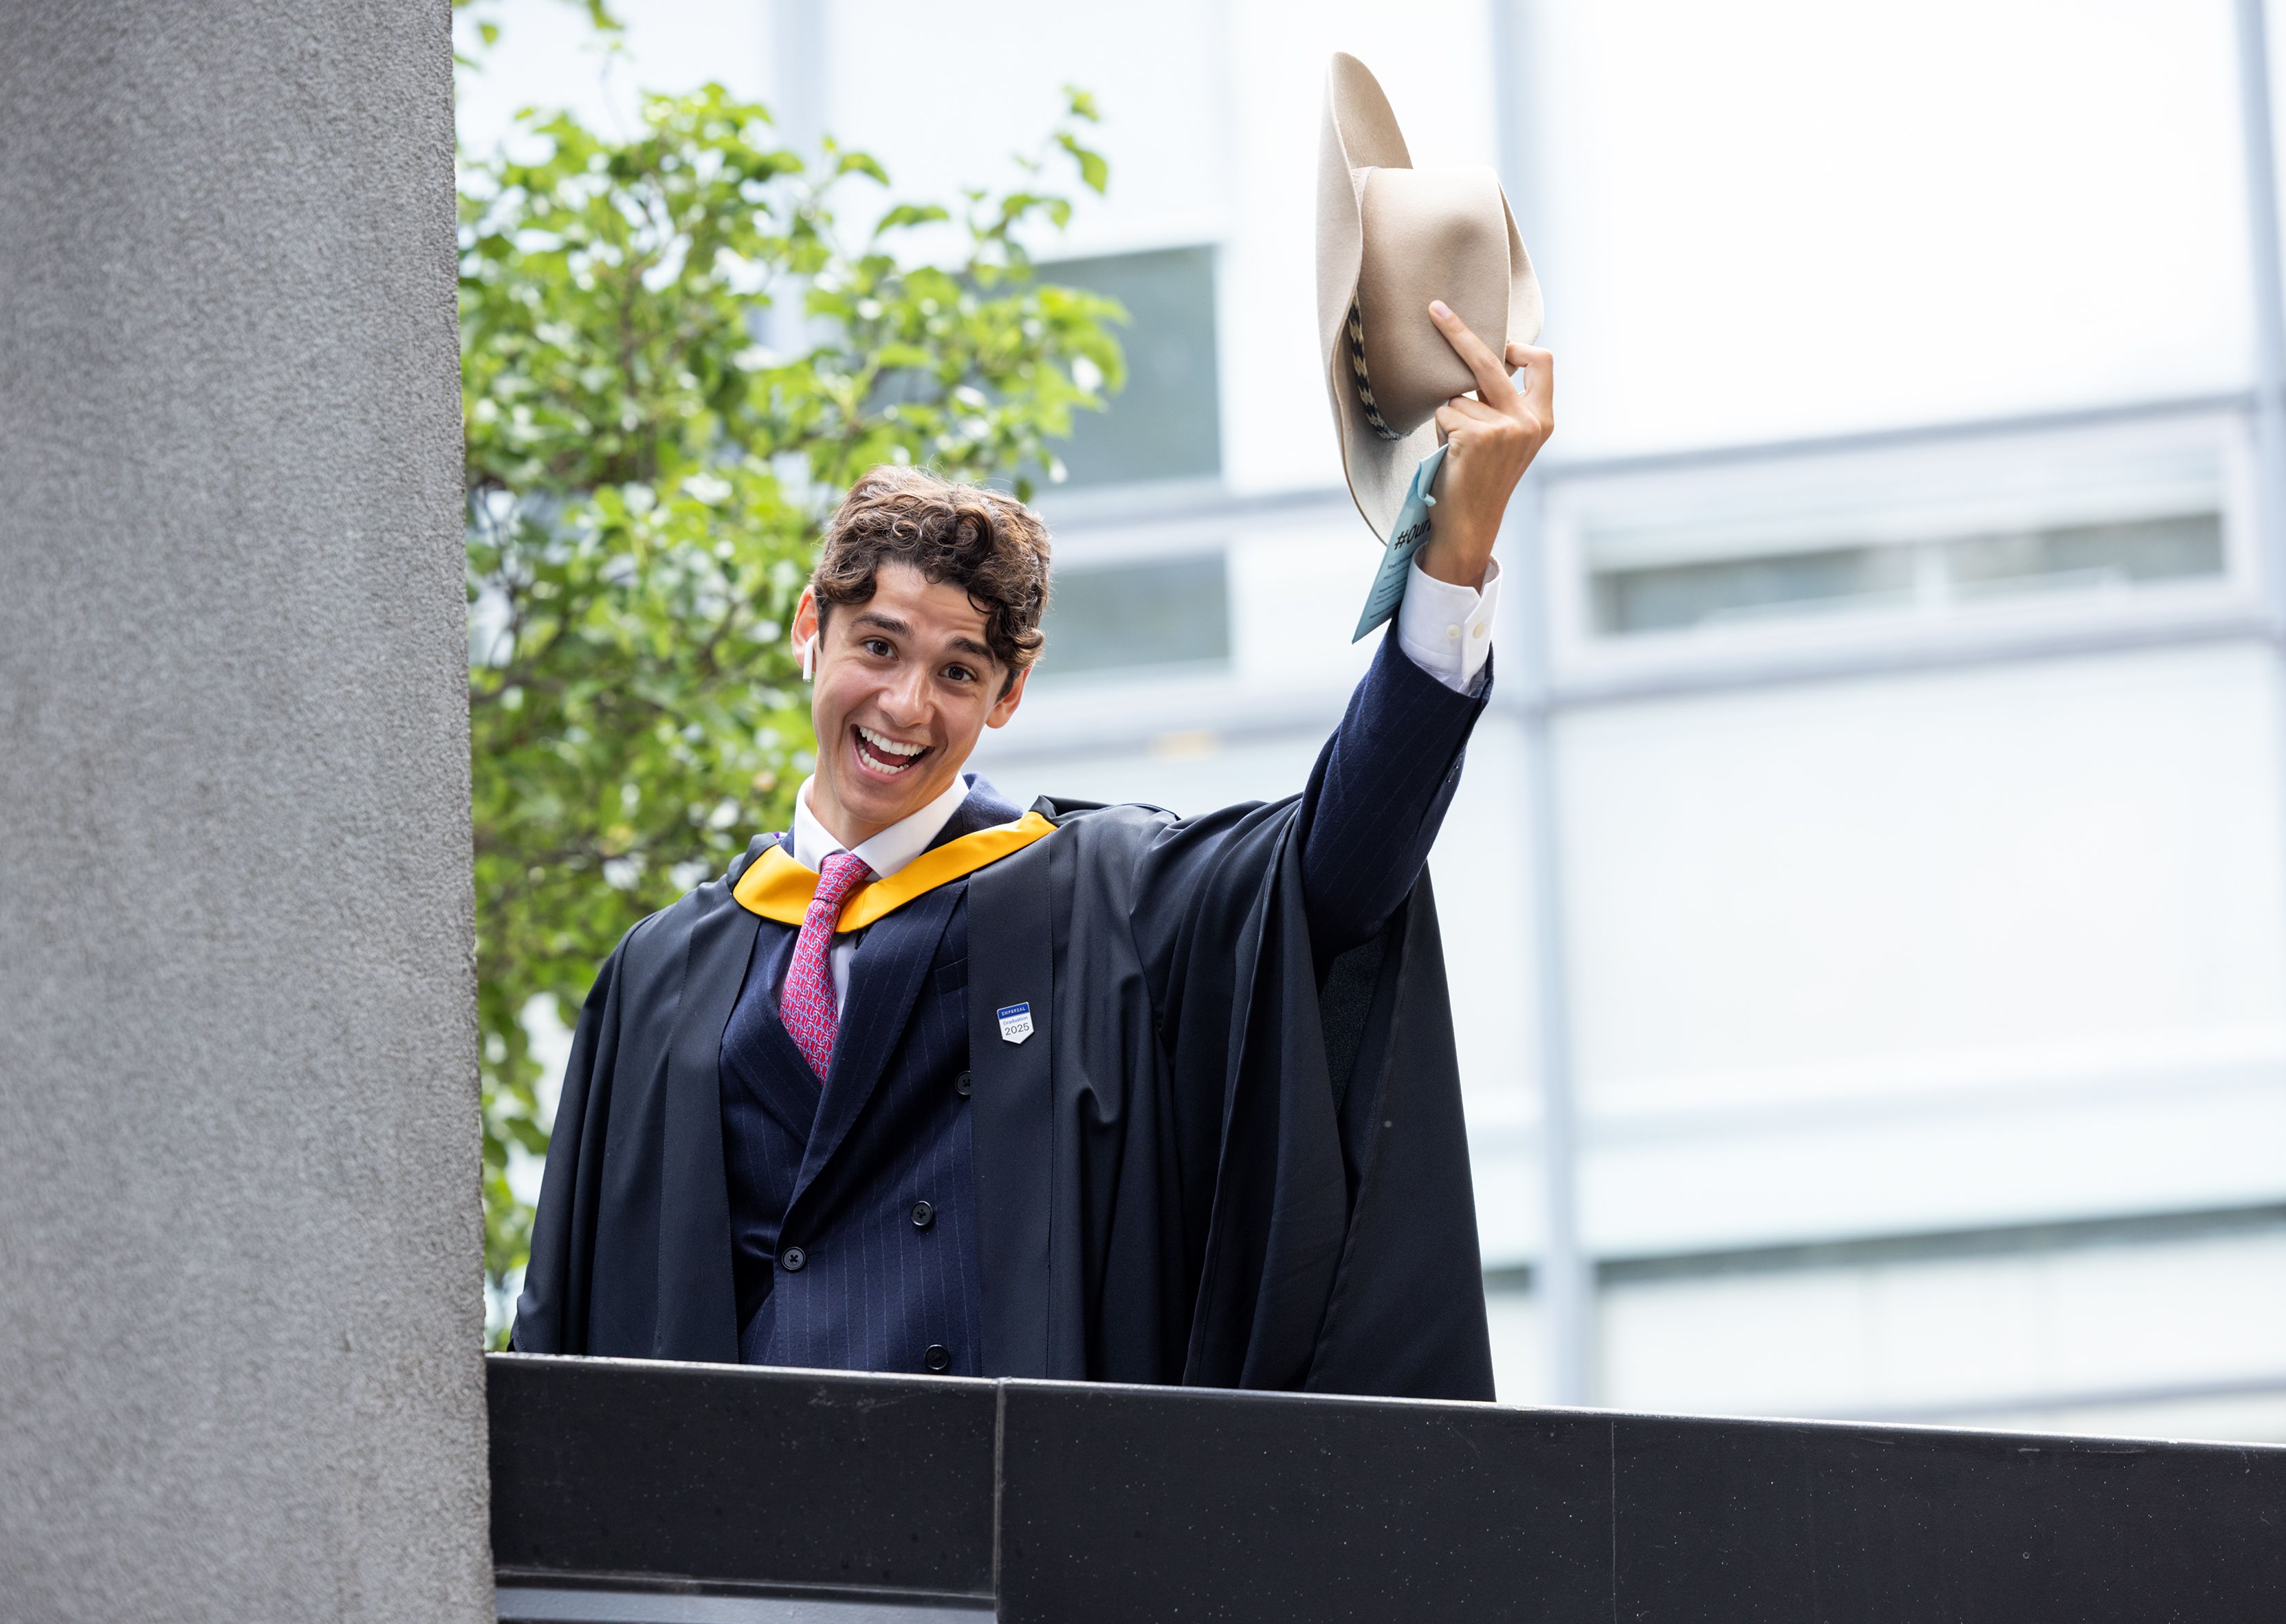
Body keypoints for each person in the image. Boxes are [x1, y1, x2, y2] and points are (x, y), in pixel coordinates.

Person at [512, 294, 1550, 1400]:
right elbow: (559, 1336)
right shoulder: (658, 978)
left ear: (1007, 694)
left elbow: (1338, 867)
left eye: (960, 670)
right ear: (810, 629)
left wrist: (1453, 558)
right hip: (745, 1544)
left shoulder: (1097, 900)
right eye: (879, 645)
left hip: (1005, 1541)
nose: (908, 705)